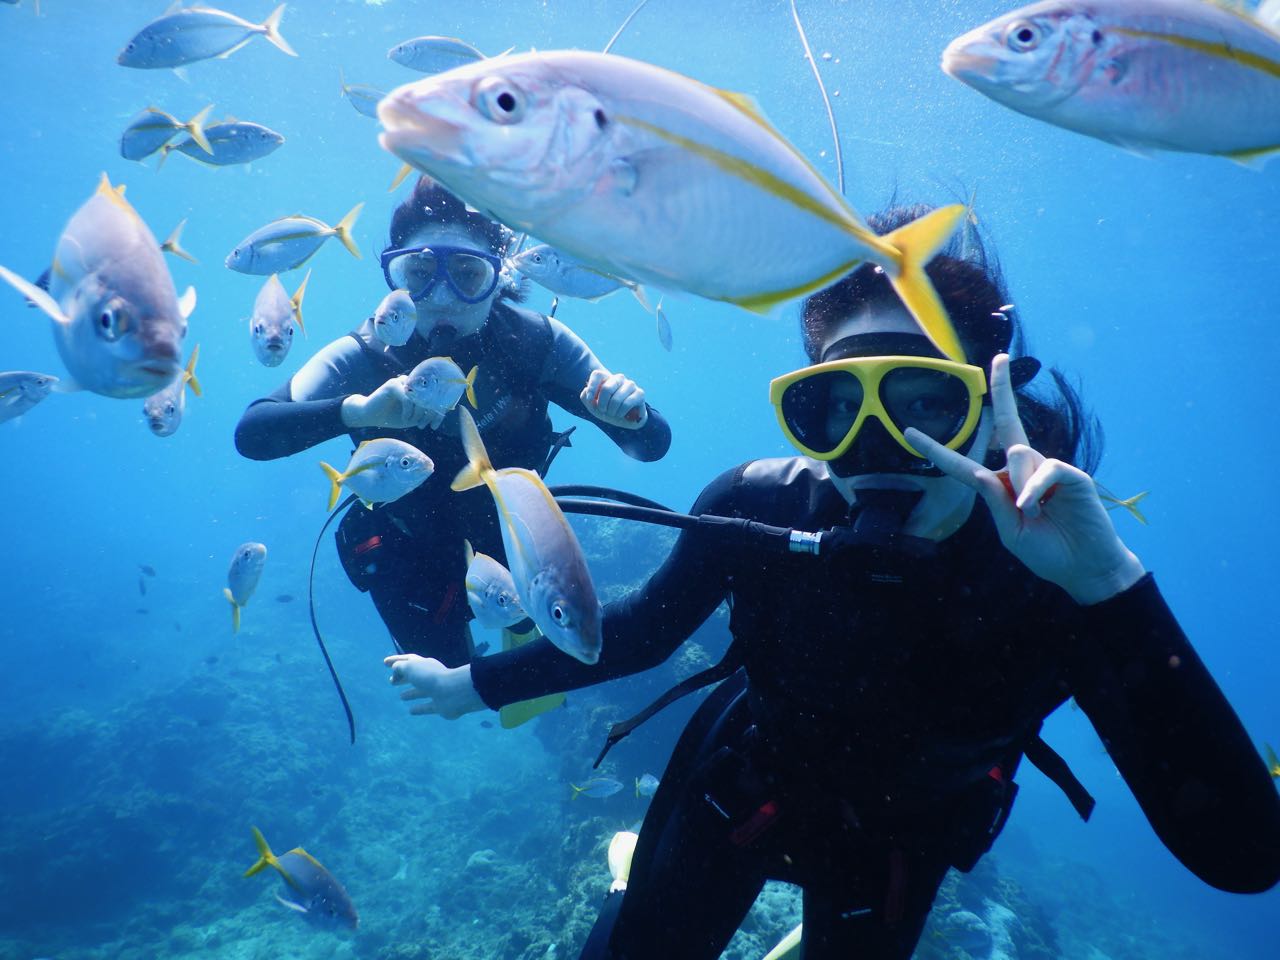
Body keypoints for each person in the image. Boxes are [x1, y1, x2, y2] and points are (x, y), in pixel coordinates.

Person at [381, 206, 1280, 958]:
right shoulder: (761, 506)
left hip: (898, 846)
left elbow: (1244, 854)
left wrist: (1109, 586)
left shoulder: (1052, 569)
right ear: (802, 412)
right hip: (738, 788)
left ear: (990, 406)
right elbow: (642, 630)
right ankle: (632, 876)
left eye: (927, 400)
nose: (879, 444)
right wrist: (473, 685)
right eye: (836, 406)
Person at [235, 177, 671, 669]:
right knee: (442, 665)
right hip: (406, 552)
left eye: (467, 274)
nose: (440, 297)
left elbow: (652, 442)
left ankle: (518, 642)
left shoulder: (538, 343)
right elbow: (253, 432)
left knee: (550, 639)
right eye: (418, 273)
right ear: (394, 279)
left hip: (515, 546)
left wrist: (626, 412)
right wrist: (353, 410)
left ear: (500, 277)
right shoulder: (365, 355)